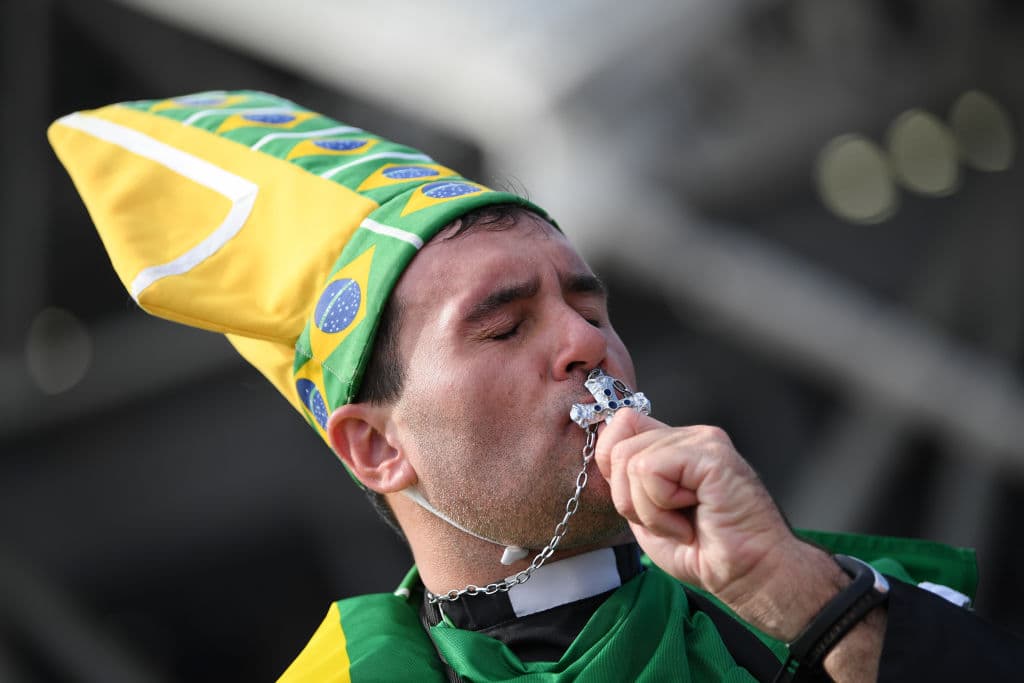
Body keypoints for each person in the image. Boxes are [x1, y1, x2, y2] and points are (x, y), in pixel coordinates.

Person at [49, 90, 1023, 682]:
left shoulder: (849, 611)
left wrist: (799, 597)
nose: (586, 343)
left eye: (589, 305)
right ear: (376, 446)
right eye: (504, 325)